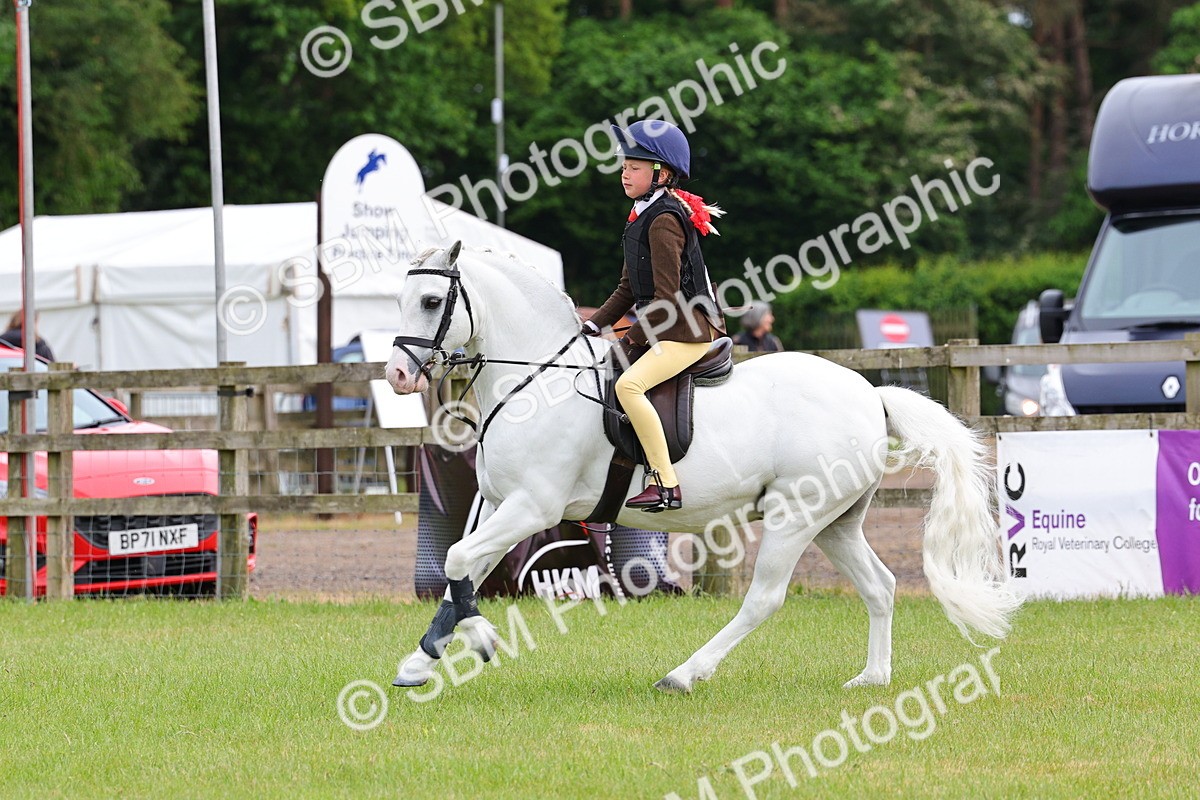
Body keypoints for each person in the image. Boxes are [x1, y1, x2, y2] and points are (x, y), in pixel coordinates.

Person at [583, 119, 727, 512]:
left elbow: (666, 297)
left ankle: (666, 482)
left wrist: (631, 338)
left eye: (635, 167)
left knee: (628, 387)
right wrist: (593, 325)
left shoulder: (664, 220)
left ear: (661, 174)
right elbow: (628, 288)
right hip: (666, 327)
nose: (625, 173)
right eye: (624, 166)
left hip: (689, 330)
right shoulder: (641, 214)